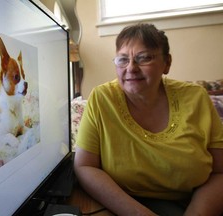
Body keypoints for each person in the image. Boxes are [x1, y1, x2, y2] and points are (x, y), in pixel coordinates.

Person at [73, 23, 223, 216]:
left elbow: (220, 172)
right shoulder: (101, 99)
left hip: (197, 202)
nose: (131, 68)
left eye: (144, 58)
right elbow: (85, 166)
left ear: (166, 63)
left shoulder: (196, 97)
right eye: (122, 59)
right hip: (124, 204)